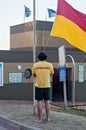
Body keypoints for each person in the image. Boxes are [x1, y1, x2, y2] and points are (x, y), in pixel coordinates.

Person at [32, 51, 54, 123]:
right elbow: (51, 74)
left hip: (38, 85)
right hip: (47, 85)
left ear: (38, 58)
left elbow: (34, 74)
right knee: (47, 102)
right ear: (46, 57)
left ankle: (39, 119)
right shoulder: (50, 65)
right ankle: (48, 118)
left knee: (39, 102)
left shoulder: (35, 65)